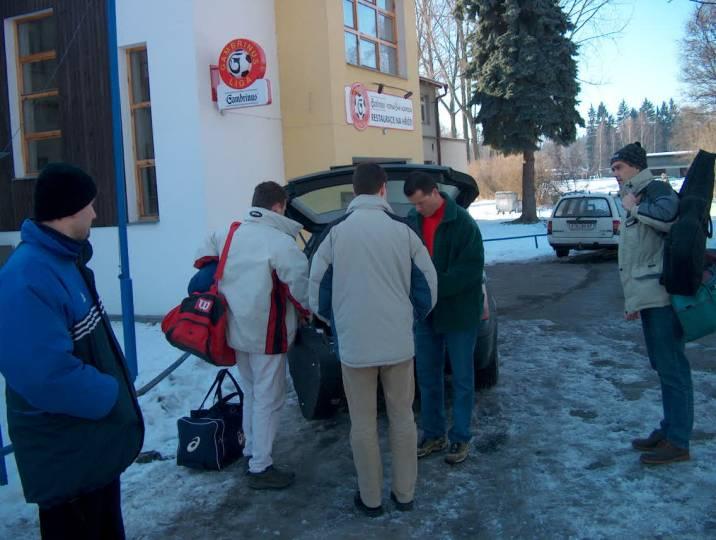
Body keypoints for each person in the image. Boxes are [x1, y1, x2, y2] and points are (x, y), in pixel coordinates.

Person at [0, 163, 144, 539]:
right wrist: (109, 393)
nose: (94, 214)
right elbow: (44, 376)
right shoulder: (27, 277)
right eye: (88, 205)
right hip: (66, 457)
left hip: (89, 451)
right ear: (67, 210)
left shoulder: (64, 261)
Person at [309, 163, 437, 516]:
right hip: (398, 344)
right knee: (402, 418)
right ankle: (405, 495)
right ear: (383, 189)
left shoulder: (335, 234)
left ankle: (371, 500)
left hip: (355, 347)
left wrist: (338, 322)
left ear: (354, 192)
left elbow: (316, 291)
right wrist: (409, 318)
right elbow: (428, 286)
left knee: (362, 424)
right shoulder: (404, 231)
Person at [195, 181, 310, 489]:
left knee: (252, 392)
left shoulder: (228, 232)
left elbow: (202, 260)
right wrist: (311, 313)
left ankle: (251, 451)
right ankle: (261, 466)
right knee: (269, 399)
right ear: (279, 207)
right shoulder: (280, 242)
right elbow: (300, 288)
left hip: (235, 330)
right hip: (267, 334)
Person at [611, 141, 692, 465]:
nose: (615, 173)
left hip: (662, 297)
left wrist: (633, 208)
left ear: (635, 166)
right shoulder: (638, 193)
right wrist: (633, 302)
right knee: (663, 366)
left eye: (619, 167)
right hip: (649, 297)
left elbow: (668, 216)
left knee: (673, 368)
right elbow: (635, 255)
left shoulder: (656, 189)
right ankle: (669, 429)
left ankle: (678, 441)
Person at [404, 171, 485, 465]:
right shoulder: (412, 222)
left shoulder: (463, 223)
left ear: (435, 193)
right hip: (426, 314)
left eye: (421, 202)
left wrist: (432, 287)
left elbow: (470, 271)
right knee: (427, 376)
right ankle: (434, 434)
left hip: (460, 313)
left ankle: (460, 437)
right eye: (414, 204)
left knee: (462, 378)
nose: (418, 209)